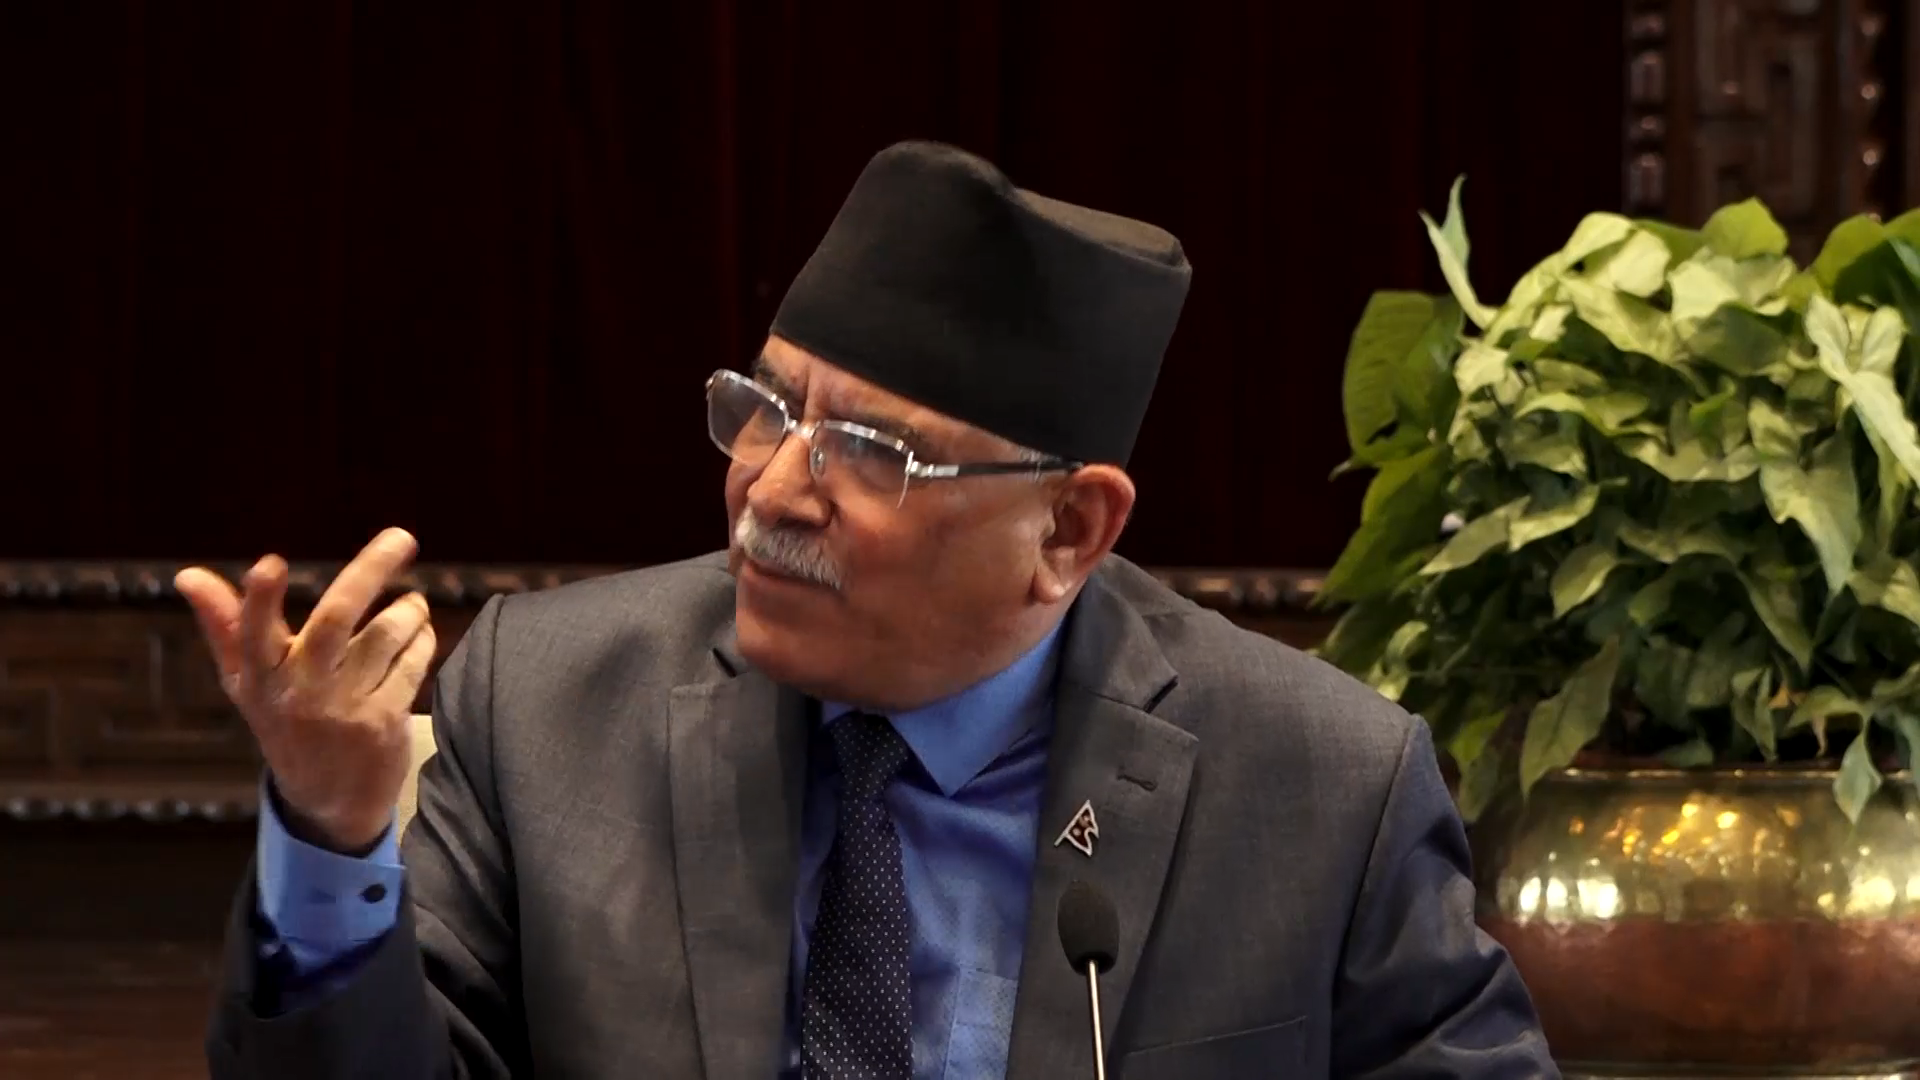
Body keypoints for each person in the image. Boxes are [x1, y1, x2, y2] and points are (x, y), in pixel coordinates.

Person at [184, 141, 1556, 1079]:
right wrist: (332, 836)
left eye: (868, 452)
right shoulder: (550, 706)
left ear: (1068, 531)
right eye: (766, 410)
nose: (772, 490)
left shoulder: (1320, 785)